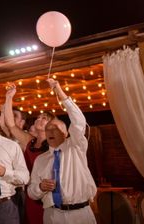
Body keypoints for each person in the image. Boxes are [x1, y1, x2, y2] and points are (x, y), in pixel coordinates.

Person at [27, 79, 97, 224]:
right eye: (48, 130)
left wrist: (60, 92)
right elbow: (31, 191)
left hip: (81, 214)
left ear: (66, 133)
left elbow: (79, 122)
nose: (51, 132)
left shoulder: (75, 147)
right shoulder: (41, 159)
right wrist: (40, 187)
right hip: (52, 215)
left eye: (56, 129)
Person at [4, 83, 53, 224]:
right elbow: (11, 125)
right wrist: (9, 98)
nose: (39, 119)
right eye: (39, 117)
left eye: (45, 118)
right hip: (31, 193)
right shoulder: (29, 141)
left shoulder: (53, 145)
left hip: (48, 193)